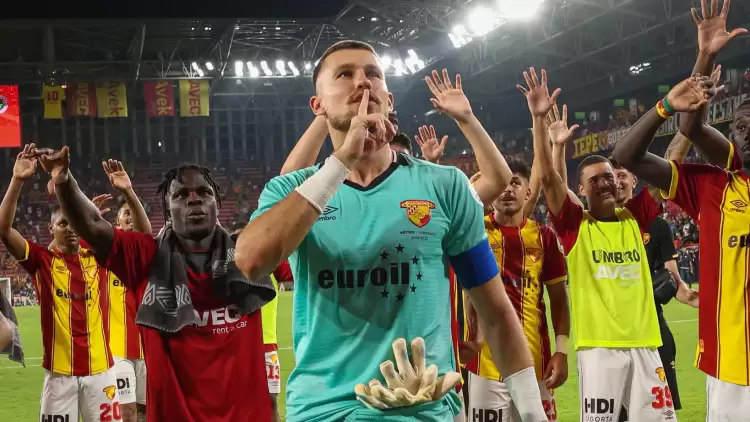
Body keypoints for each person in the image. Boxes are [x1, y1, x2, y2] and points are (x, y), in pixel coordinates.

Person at [236, 40, 548, 421]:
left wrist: (533, 414)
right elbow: (250, 261)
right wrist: (343, 159)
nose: (362, 82)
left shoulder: (444, 186)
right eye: (344, 74)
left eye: (373, 74)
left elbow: (495, 313)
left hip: (421, 409)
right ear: (319, 107)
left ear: (389, 99)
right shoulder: (291, 190)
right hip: (323, 411)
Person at [39, 148, 277, 422]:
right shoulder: (146, 258)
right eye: (181, 195)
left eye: (204, 192)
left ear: (217, 204)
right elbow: (92, 225)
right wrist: (63, 179)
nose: (194, 199)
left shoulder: (247, 255)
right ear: (168, 211)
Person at [519, 68, 674, 421]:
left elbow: (670, 170)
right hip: (599, 350)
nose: (605, 183)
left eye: (609, 177)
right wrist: (542, 125)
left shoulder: (635, 216)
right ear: (582, 189)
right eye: (595, 180)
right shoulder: (575, 227)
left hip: (645, 344)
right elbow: (549, 179)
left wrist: (680, 110)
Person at [611, 67, 750, 419]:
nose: (746, 132)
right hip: (731, 365)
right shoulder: (712, 188)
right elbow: (629, 155)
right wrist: (667, 106)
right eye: (740, 126)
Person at [0, 144, 121, 422]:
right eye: (62, 224)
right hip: (59, 376)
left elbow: (106, 229)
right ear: (51, 229)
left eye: (73, 223)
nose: (70, 228)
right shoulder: (42, 261)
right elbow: (4, 230)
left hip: (102, 372)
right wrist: (17, 180)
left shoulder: (99, 257)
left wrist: (86, 210)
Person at [463, 157, 570, 422]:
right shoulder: (473, 231)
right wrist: (472, 190)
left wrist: (562, 350)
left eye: (515, 183)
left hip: (536, 361)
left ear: (528, 192)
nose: (508, 190)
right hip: (485, 364)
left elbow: (559, 298)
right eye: (501, 184)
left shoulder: (544, 237)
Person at [608, 157, 699, 421]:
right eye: (612, 176)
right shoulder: (594, 224)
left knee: (659, 413)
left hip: (652, 327)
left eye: (623, 175)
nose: (618, 181)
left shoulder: (657, 226)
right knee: (616, 414)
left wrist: (691, 297)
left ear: (634, 180)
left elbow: (673, 279)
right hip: (611, 332)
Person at [97, 160, 153, 422]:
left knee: (146, 411)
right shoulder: (107, 252)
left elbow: (145, 232)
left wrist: (128, 191)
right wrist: (90, 216)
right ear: (116, 220)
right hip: (118, 348)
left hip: (147, 347)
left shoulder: (149, 251)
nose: (129, 217)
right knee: (127, 411)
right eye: (125, 214)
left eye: (133, 213)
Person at [231, 221, 294, 422]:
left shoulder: (269, 263)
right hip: (235, 345)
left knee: (271, 401)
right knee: (236, 402)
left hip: (267, 344)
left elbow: (294, 272)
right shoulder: (225, 269)